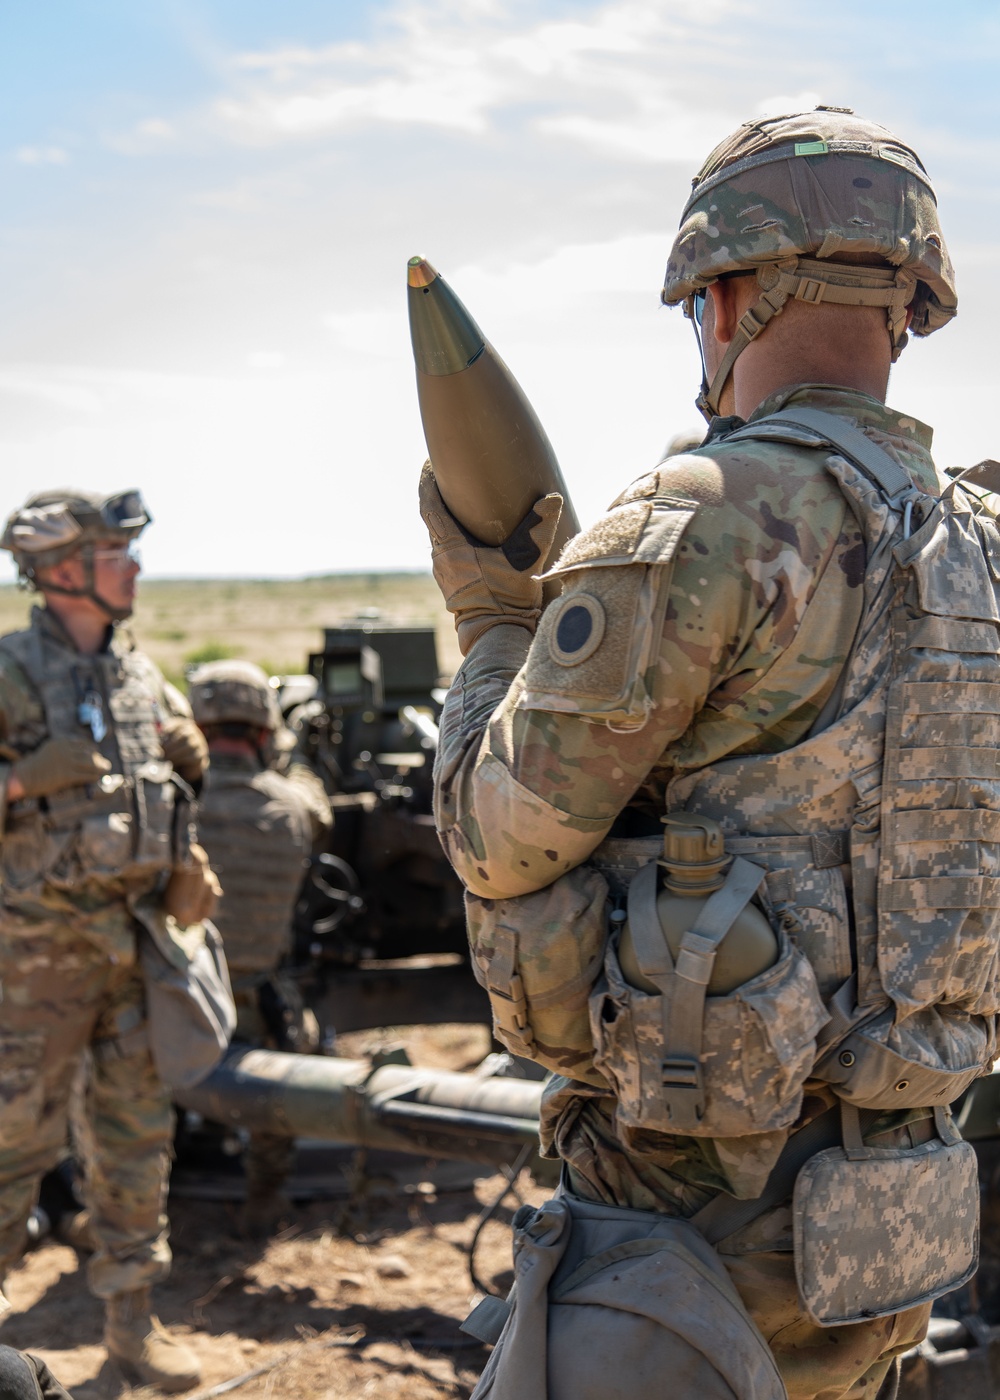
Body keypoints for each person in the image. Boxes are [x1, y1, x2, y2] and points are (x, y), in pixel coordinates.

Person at [421, 107, 992, 1400]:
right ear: (907, 303)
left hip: (691, 1236)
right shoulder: (984, 553)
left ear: (725, 295)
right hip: (903, 1218)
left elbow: (499, 837)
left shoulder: (707, 522)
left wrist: (495, 626)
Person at [0, 490, 214, 1393]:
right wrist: (15, 786)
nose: (133, 567)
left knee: (134, 1145)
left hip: (133, 948)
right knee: (11, 1149)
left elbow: (155, 779)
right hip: (30, 962)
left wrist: (184, 824)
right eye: (116, 553)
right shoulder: (7, 671)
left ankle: (133, 1330)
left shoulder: (137, 672)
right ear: (61, 571)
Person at [187, 660, 332, 1233]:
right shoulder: (292, 806)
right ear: (264, 733)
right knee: (288, 1066)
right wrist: (295, 760)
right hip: (256, 1002)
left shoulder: (169, 800)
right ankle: (264, 1202)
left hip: (175, 996)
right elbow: (315, 805)